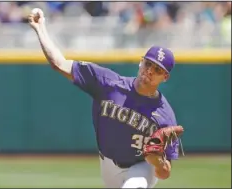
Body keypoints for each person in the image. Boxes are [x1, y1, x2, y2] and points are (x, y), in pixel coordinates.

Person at [28, 9, 181, 188]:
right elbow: (60, 64)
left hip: (141, 168)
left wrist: (158, 163)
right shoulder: (108, 83)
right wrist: (40, 29)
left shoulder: (165, 115)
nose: (149, 71)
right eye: (148, 64)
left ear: (165, 77)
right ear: (141, 62)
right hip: (107, 164)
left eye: (157, 70)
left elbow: (165, 173)